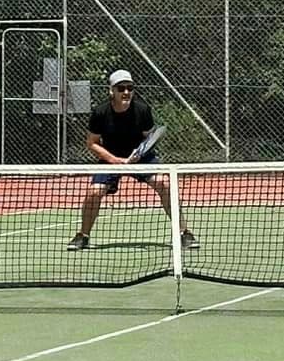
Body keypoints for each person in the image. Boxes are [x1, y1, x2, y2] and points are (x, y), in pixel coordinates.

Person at [67, 70, 198, 252]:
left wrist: (139, 154)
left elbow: (150, 138)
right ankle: (83, 235)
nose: (126, 92)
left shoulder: (142, 110)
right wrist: (114, 160)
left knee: (165, 184)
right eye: (121, 88)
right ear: (111, 91)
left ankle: (184, 233)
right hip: (111, 158)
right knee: (94, 192)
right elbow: (92, 144)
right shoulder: (100, 112)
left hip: (140, 157)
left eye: (130, 88)